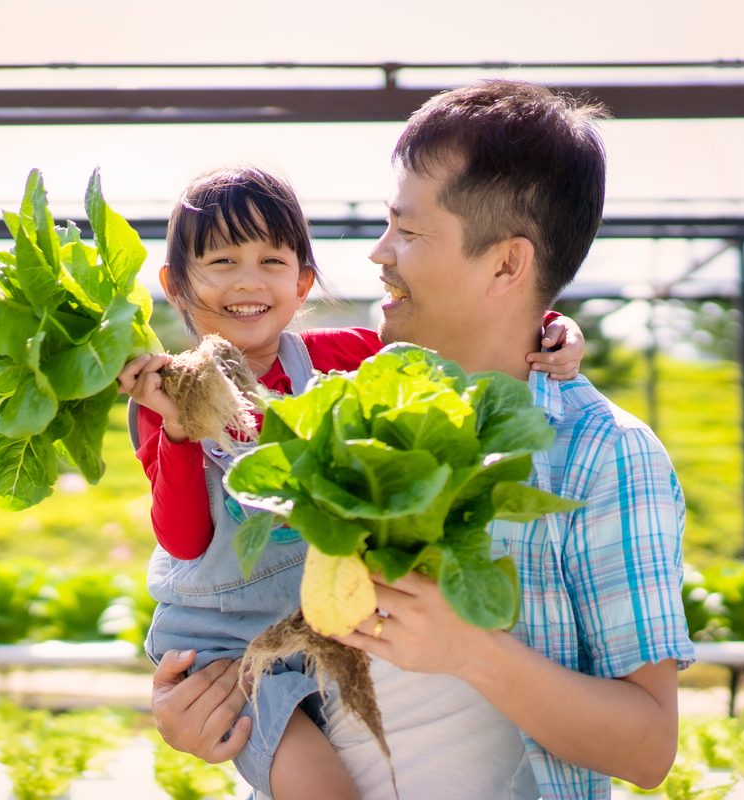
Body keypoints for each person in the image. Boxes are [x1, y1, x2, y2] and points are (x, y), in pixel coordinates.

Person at [149, 81, 695, 800]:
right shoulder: (344, 409)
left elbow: (649, 747)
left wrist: (470, 651)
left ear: (506, 264)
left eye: (408, 231)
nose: (379, 253)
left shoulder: (603, 456)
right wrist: (209, 712)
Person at [120, 164, 587, 799]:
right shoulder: (163, 392)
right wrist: (178, 431)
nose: (248, 282)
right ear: (175, 283)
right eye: (222, 261)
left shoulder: (343, 356)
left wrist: (551, 328)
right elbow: (183, 537)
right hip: (227, 647)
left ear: (303, 279)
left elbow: (458, 351)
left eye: (272, 261)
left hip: (323, 620)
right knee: (322, 786)